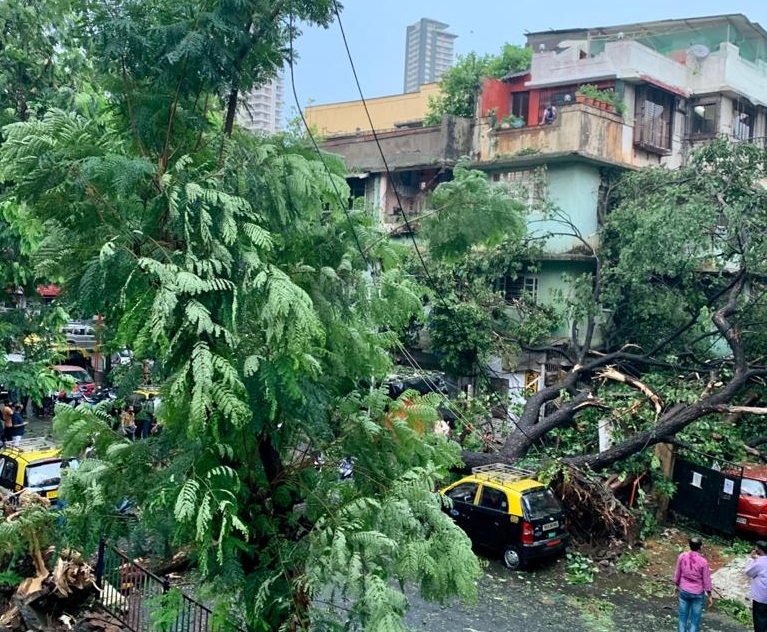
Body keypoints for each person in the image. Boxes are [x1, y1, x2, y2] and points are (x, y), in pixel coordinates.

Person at [674, 536, 713, 632]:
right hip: (697, 593)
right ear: (700, 547)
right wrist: (709, 594)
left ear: (689, 546)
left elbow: (677, 573)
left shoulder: (682, 557)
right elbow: (706, 579)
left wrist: (676, 585)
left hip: (684, 590)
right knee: (695, 621)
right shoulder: (703, 562)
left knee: (682, 617)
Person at [745, 540, 767, 632]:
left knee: (759, 620)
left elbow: (748, 572)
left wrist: (752, 559)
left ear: (759, 550)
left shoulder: (759, 562)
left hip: (761, 596)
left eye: (756, 547)